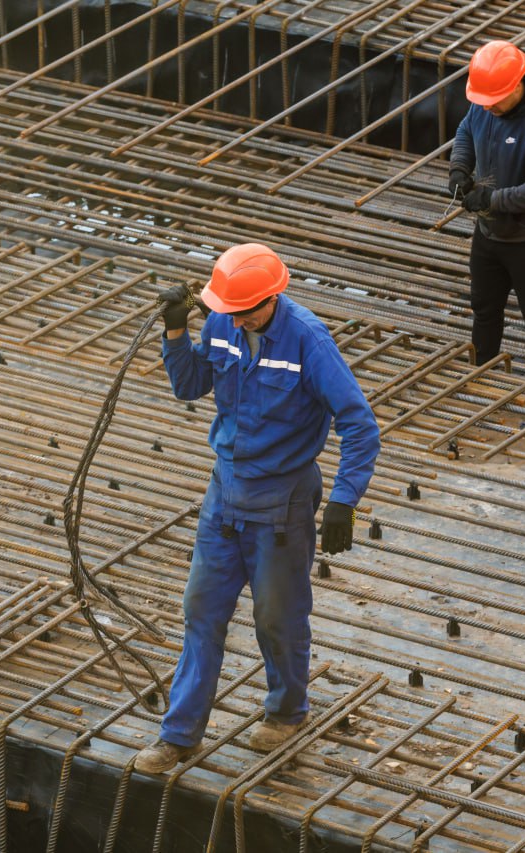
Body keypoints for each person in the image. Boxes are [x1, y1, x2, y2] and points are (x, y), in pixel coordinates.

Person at [135, 243, 380, 773]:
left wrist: (344, 502)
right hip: (224, 492)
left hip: (283, 501)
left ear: (271, 299)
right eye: (227, 310)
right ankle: (179, 735)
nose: (234, 317)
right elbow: (190, 385)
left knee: (277, 617)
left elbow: (360, 425)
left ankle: (287, 712)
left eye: (243, 310)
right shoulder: (221, 321)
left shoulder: (308, 340)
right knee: (202, 610)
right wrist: (177, 332)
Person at [448, 39, 525, 375]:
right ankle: (480, 378)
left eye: (494, 101)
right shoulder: (485, 104)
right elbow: (466, 130)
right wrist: (459, 166)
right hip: (488, 236)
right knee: (485, 312)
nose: (487, 108)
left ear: (517, 85)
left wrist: (491, 200)